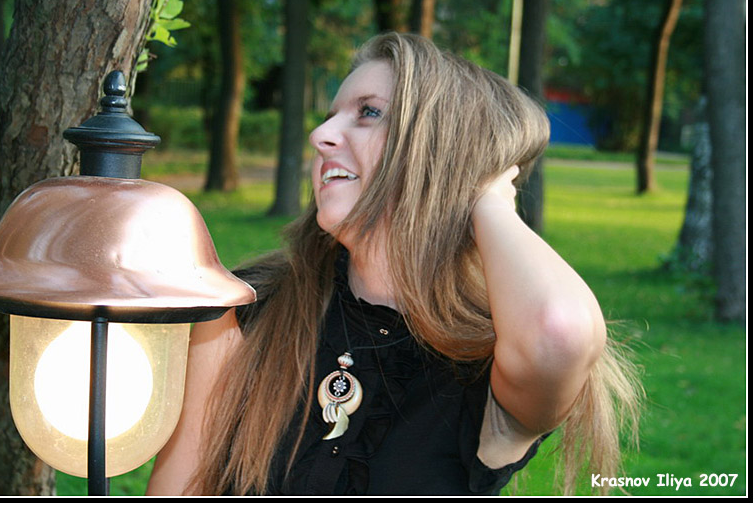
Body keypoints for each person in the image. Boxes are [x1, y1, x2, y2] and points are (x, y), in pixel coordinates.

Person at [146, 32, 640, 496]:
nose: (320, 134)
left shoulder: (485, 364)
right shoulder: (246, 307)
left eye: (368, 113)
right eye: (331, 115)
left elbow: (559, 332)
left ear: (442, 154)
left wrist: (485, 196)